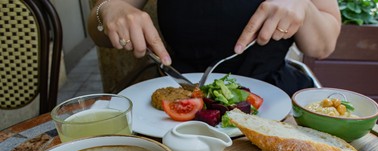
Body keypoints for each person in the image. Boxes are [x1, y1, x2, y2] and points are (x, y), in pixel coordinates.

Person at [88, 0, 341, 95]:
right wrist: (108, 10)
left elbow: (323, 45)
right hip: (181, 97)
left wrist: (304, 6)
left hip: (276, 99)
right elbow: (96, 27)